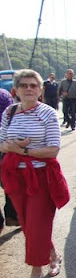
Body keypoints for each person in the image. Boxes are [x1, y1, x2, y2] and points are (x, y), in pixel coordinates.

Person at [0, 69, 70, 278]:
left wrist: (22, 149)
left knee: (37, 223)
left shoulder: (48, 114)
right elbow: (2, 143)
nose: (29, 89)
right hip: (14, 177)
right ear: (16, 90)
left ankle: (35, 271)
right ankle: (52, 255)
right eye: (24, 85)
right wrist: (12, 148)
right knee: (28, 224)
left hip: (40, 178)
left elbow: (52, 150)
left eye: (33, 85)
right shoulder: (9, 112)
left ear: (40, 90)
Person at [0, 88, 19, 233]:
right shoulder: (4, 94)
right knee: (9, 181)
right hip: (5, 143)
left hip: (4, 143)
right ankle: (12, 215)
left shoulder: (3, 94)